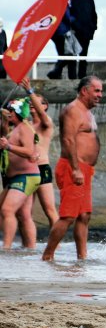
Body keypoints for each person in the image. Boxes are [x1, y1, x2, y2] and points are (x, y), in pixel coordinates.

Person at [41, 76, 103, 261]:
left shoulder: (88, 112)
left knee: (84, 215)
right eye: (97, 90)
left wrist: (87, 167)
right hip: (72, 167)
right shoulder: (73, 110)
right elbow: (68, 140)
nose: (100, 95)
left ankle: (82, 257)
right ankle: (47, 256)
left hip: (85, 169)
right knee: (68, 216)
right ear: (84, 91)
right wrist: (76, 169)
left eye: (101, 91)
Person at [0, 98, 39, 249]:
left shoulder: (25, 128)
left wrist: (8, 147)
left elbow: (29, 151)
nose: (9, 114)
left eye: (11, 111)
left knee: (7, 210)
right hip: (16, 178)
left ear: (17, 113)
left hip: (26, 176)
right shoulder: (14, 129)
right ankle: (30, 250)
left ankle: (6, 248)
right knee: (24, 215)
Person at [20, 78, 58, 228]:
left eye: (36, 101)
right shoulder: (27, 124)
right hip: (27, 170)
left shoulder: (46, 122)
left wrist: (30, 91)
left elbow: (41, 114)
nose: (31, 103)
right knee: (25, 212)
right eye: (30, 102)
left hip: (42, 168)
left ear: (45, 106)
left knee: (49, 210)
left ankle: (57, 246)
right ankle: (30, 248)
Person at [68, 0, 97, 80]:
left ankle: (82, 77)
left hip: (86, 32)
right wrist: (73, 25)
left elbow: (93, 14)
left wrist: (93, 27)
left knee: (84, 56)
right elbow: (67, 14)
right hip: (74, 32)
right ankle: (72, 77)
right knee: (71, 56)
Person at [47, 0, 78, 80]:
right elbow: (67, 17)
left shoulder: (53, 2)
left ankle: (57, 74)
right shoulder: (63, 3)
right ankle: (57, 73)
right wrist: (76, 18)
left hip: (55, 33)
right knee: (70, 56)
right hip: (62, 32)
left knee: (64, 55)